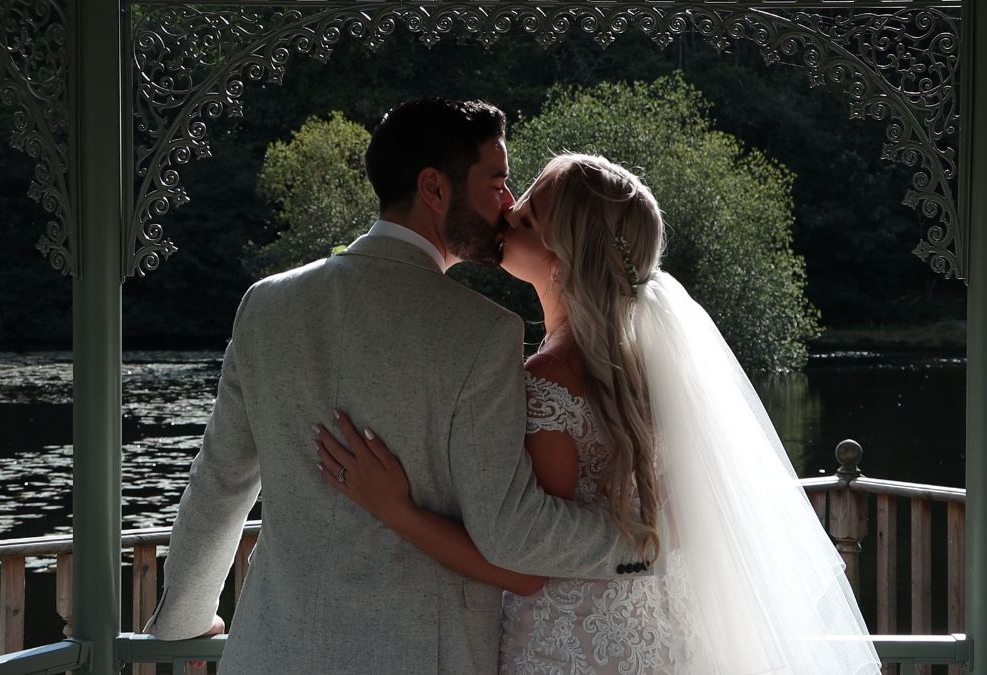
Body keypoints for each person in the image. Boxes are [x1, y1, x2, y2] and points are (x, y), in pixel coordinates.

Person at [316, 153, 883, 674]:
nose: (507, 215)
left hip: (571, 648)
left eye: (529, 218)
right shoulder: (656, 373)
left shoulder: (547, 381)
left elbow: (527, 563)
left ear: (563, 259)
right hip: (666, 640)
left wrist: (397, 509)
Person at [144, 102, 649, 674]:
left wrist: (183, 622)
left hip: (273, 650)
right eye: (498, 182)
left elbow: (219, 484)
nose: (508, 204)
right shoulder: (484, 333)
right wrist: (648, 550)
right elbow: (513, 534)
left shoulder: (266, 305)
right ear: (434, 188)